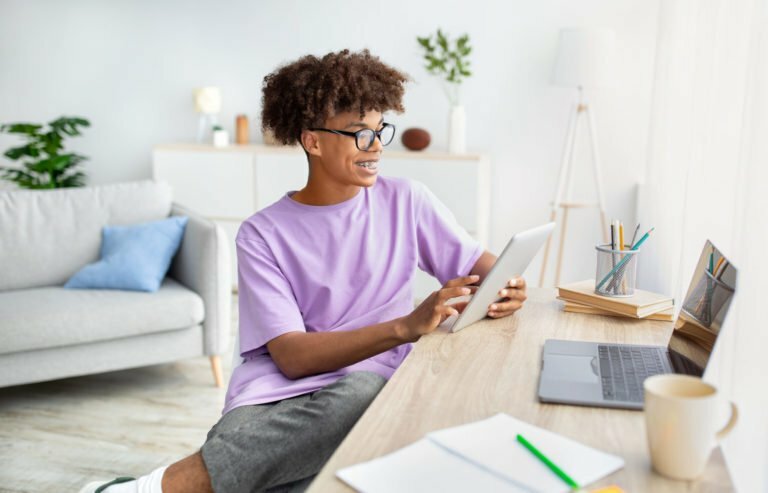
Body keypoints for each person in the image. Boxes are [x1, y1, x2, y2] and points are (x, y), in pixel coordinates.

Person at [83, 49, 527, 493]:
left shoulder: (407, 201)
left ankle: (143, 489)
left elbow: (487, 270)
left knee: (356, 399)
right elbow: (292, 359)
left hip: (365, 385)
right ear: (312, 141)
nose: (376, 147)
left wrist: (509, 287)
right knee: (263, 450)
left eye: (378, 131)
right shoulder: (261, 234)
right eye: (359, 134)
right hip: (272, 396)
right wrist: (406, 326)